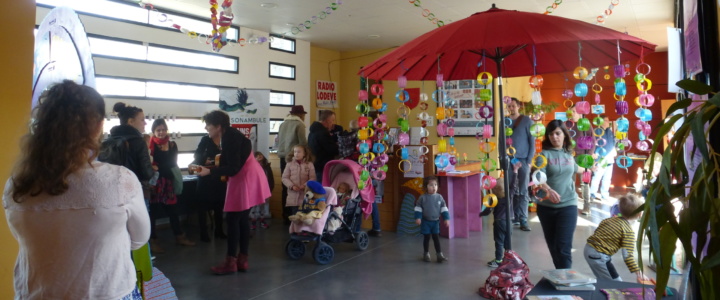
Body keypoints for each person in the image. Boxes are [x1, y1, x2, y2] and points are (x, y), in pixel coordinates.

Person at [3, 80, 150, 299]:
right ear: (99, 126)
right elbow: (139, 239)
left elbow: (26, 236)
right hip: (108, 292)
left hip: (35, 293)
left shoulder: (17, 183)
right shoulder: (119, 179)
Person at [196, 110, 271, 274]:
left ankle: (231, 261)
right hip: (249, 175)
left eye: (208, 126)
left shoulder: (229, 137)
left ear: (218, 126)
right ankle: (242, 260)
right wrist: (212, 167)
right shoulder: (231, 134)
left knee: (232, 219)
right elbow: (231, 161)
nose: (207, 129)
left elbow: (233, 168)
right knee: (242, 219)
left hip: (244, 177)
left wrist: (209, 172)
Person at [534, 120, 588, 269]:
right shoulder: (543, 155)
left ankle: (566, 281)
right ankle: (560, 276)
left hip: (568, 204)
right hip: (546, 207)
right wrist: (549, 190)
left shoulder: (568, 153)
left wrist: (590, 167)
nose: (554, 137)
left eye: (557, 133)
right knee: (553, 246)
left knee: (563, 246)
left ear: (564, 134)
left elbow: (576, 168)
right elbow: (538, 176)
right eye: (551, 134)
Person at [148, 119, 195, 252]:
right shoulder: (150, 146)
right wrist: (158, 167)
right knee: (153, 212)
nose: (161, 132)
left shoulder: (172, 145)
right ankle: (153, 241)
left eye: (163, 129)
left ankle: (179, 237)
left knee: (173, 211)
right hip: (155, 183)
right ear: (154, 132)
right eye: (158, 130)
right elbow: (150, 164)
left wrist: (158, 166)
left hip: (168, 182)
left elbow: (172, 163)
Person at [585, 194, 650, 282]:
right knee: (616, 284)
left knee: (605, 278)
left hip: (589, 249)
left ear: (619, 208)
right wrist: (639, 272)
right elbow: (627, 256)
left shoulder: (609, 220)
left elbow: (598, 232)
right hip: (598, 256)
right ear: (640, 214)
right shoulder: (628, 231)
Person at [109, 102, 155, 202]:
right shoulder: (139, 142)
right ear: (131, 122)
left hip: (115, 193)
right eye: (142, 119)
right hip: (136, 193)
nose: (145, 123)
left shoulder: (111, 140)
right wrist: (154, 171)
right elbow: (147, 173)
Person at [191, 130, 227, 242]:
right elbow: (196, 156)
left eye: (209, 126)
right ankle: (204, 233)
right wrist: (204, 160)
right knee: (202, 206)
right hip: (205, 177)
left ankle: (219, 231)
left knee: (219, 205)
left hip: (219, 177)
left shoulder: (225, 140)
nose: (207, 128)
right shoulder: (205, 139)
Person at [507, 97, 535, 231]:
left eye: (513, 106)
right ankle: (514, 217)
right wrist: (505, 159)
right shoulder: (504, 122)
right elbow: (502, 142)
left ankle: (523, 219)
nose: (511, 108)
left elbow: (532, 142)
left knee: (523, 190)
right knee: (511, 189)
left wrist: (529, 160)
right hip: (510, 160)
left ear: (518, 106)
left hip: (523, 160)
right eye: (509, 106)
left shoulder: (527, 121)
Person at [487, 161, 522, 268]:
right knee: (508, 242)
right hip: (509, 221)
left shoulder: (494, 198)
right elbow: (513, 185)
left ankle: (498, 260)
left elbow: (488, 209)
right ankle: (508, 259)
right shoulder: (509, 195)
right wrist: (515, 171)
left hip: (499, 222)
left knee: (499, 242)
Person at [277, 105, 308, 224]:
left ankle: (285, 215)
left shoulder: (283, 124)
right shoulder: (299, 125)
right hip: (293, 159)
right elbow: (302, 144)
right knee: (296, 186)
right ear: (301, 115)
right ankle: (294, 214)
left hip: (282, 158)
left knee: (285, 186)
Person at [414, 176, 450, 263]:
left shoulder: (439, 197)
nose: (434, 187)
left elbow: (444, 208)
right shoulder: (422, 198)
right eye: (431, 185)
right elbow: (418, 208)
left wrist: (446, 218)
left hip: (435, 222)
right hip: (426, 222)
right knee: (426, 238)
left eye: (435, 185)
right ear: (426, 187)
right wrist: (418, 217)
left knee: (436, 238)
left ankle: (439, 255)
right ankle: (426, 254)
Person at [282, 144, 316, 219]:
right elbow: (284, 178)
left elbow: (313, 178)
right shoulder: (289, 164)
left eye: (299, 152)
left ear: (304, 154)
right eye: (295, 152)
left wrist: (305, 185)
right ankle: (295, 230)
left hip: (305, 195)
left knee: (305, 216)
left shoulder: (309, 164)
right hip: (293, 196)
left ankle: (303, 230)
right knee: (295, 216)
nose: (296, 154)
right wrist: (292, 186)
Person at [590, 114, 616, 201]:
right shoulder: (596, 131)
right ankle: (592, 193)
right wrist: (593, 154)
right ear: (601, 122)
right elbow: (592, 144)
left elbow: (613, 143)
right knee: (597, 176)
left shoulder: (610, 131)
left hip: (609, 158)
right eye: (606, 120)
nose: (608, 122)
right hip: (600, 158)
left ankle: (604, 194)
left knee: (607, 178)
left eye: (608, 120)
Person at [308, 110, 339, 180]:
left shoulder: (313, 130)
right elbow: (332, 149)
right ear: (327, 120)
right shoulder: (322, 133)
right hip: (322, 165)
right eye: (332, 120)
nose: (333, 123)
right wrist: (337, 146)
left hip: (315, 163)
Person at [250, 151, 274, 230]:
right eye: (257, 156)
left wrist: (271, 188)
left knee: (263, 207)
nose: (259, 156)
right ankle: (253, 222)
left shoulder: (267, 166)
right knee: (254, 207)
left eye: (260, 155)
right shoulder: (252, 167)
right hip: (255, 190)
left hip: (264, 190)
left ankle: (262, 221)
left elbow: (271, 178)